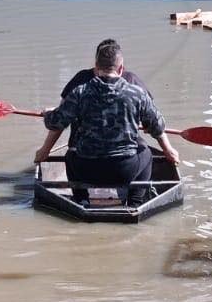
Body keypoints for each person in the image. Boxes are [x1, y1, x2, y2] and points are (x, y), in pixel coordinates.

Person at [35, 40, 179, 205]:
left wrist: (48, 114)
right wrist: (168, 150)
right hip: (124, 171)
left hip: (86, 170)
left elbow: (55, 123)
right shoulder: (137, 94)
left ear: (96, 67)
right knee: (146, 153)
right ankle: (136, 201)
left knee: (70, 154)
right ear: (121, 68)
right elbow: (157, 126)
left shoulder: (79, 93)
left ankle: (81, 199)